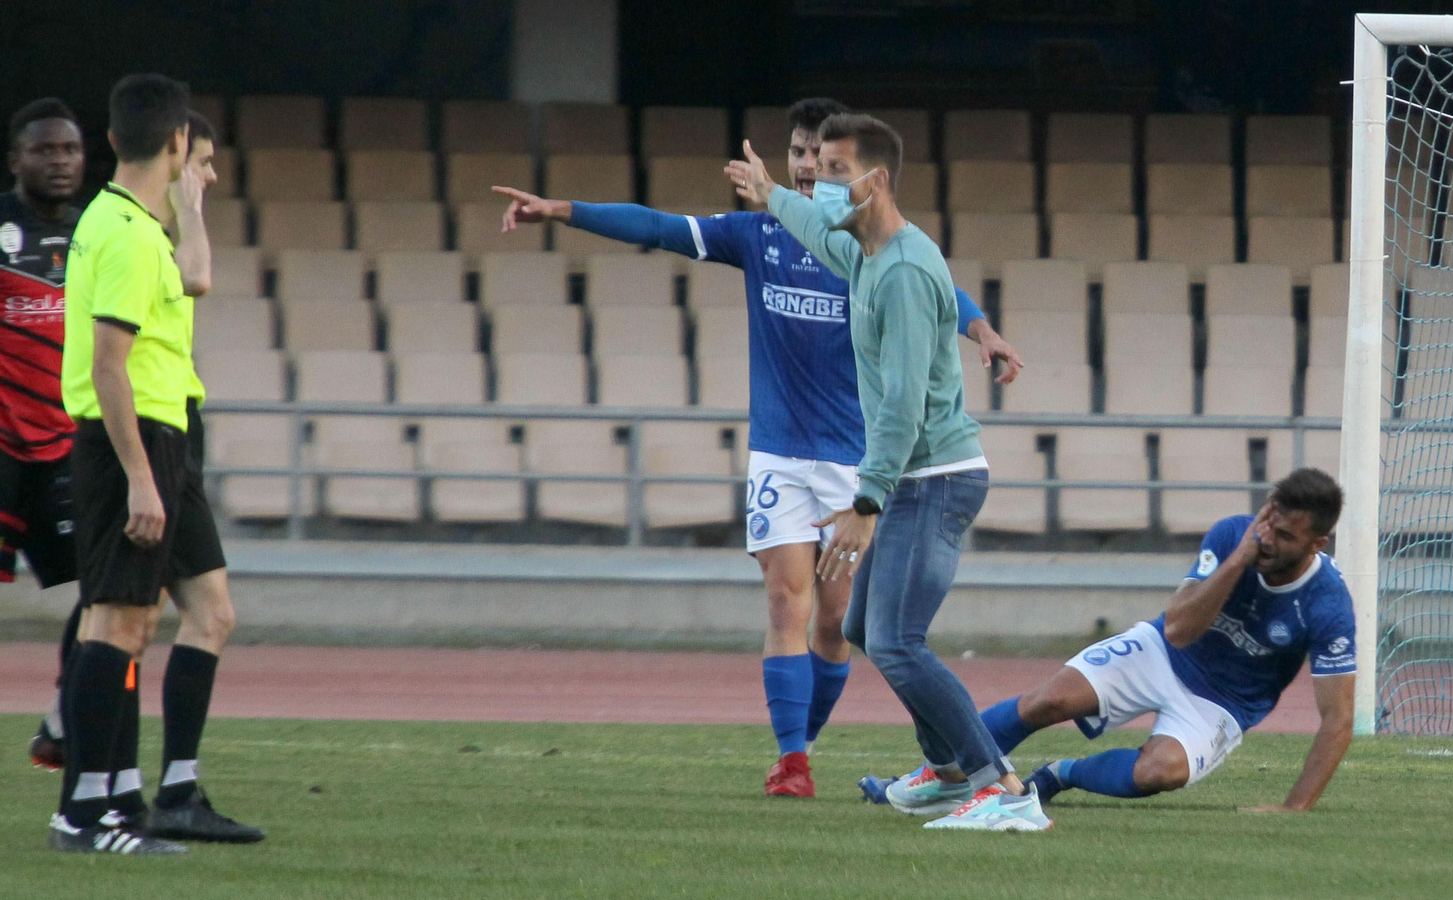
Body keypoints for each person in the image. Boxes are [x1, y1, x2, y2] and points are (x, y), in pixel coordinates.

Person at [494, 98, 1024, 799]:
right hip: (786, 450)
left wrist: (980, 326)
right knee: (802, 606)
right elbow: (659, 226)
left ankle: (980, 780)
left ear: (868, 177)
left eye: (829, 161)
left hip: (867, 460)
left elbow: (926, 310)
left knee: (849, 624)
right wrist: (563, 210)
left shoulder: (878, 256)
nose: (814, 169)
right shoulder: (785, 236)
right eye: (805, 155)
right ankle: (802, 758)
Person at [726, 113, 1050, 831]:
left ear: (873, 181)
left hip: (934, 480)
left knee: (898, 641)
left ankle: (1002, 789)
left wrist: (866, 501)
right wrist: (770, 193)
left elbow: (903, 403)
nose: (822, 185)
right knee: (871, 630)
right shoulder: (867, 253)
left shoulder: (901, 272)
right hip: (916, 480)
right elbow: (814, 230)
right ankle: (945, 772)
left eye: (836, 173)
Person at [862, 468, 1357, 815]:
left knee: (1158, 772)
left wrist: (1294, 808)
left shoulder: (1327, 604)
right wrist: (1238, 560)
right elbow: (1179, 629)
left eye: (1286, 536)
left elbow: (1337, 721)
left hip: (1224, 702)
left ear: (1318, 544)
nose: (1268, 540)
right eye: (1269, 522)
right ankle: (931, 780)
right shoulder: (1234, 535)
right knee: (1048, 699)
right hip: (1163, 651)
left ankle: (1060, 774)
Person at [50, 74, 258, 854]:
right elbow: (109, 365)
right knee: (117, 623)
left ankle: (149, 797)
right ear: (177, 143)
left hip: (157, 436)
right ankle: (87, 813)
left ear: (111, 140)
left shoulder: (126, 221)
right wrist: (141, 474)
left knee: (192, 614)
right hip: (128, 442)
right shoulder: (131, 235)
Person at [2, 100, 86, 761]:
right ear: (16, 160)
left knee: (112, 592)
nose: (60, 161)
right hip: (1, 446)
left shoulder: (95, 234)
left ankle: (62, 724)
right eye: (45, 150)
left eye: (70, 150)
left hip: (65, 450)